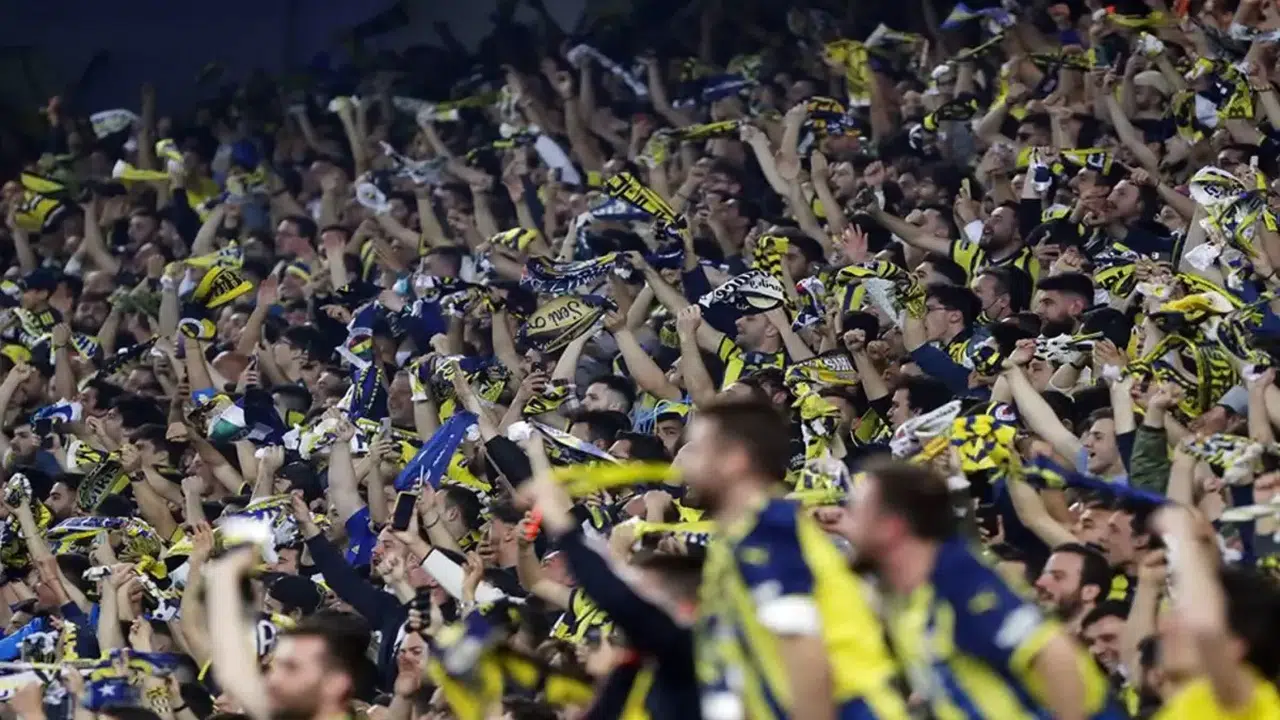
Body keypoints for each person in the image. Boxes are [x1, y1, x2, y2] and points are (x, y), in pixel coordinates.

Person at [678, 398, 910, 720]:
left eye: (698, 450)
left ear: (735, 460)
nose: (684, 463)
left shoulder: (770, 531)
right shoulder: (739, 538)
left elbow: (804, 650)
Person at [846, 459, 1123, 720]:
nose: (849, 521)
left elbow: (1056, 656)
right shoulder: (913, 593)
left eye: (857, 511)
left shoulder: (961, 582)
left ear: (891, 527)